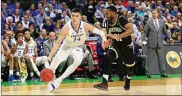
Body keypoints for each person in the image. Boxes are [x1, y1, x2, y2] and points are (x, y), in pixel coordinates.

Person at [47, 8, 107, 92]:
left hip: (78, 47)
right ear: (70, 16)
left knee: (77, 61)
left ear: (80, 17)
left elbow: (100, 32)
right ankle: (51, 81)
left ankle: (59, 81)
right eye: (73, 16)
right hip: (66, 47)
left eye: (76, 16)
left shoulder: (85, 25)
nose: (74, 18)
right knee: (51, 68)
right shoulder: (66, 28)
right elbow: (57, 43)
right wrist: (50, 56)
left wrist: (104, 38)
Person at [93, 6, 135, 91]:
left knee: (129, 70)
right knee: (108, 56)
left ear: (113, 12)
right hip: (116, 45)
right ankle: (104, 83)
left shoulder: (122, 19)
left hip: (126, 46)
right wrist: (107, 41)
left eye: (107, 13)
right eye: (105, 13)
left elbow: (131, 30)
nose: (106, 15)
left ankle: (127, 81)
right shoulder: (107, 22)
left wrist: (118, 36)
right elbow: (107, 34)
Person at [142, 10, 174, 78]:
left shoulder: (162, 21)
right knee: (149, 59)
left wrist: (170, 38)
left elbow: (165, 31)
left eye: (155, 13)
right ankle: (148, 73)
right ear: (151, 14)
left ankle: (163, 73)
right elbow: (144, 32)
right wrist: (141, 40)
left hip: (159, 43)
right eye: (153, 13)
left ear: (158, 14)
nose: (154, 14)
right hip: (151, 43)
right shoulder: (148, 22)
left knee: (161, 59)